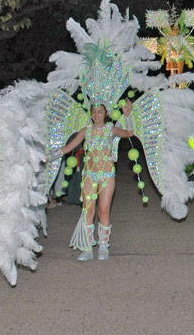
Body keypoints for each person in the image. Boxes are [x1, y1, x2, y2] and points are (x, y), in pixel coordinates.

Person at [51, 102, 133, 261]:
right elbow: (68, 148)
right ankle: (88, 248)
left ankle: (103, 247)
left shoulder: (111, 129)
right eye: (94, 112)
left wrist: (127, 115)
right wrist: (48, 157)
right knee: (88, 210)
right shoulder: (86, 131)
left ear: (106, 113)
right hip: (89, 175)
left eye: (100, 112)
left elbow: (129, 133)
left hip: (107, 175)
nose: (97, 115)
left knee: (104, 210)